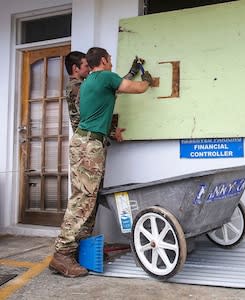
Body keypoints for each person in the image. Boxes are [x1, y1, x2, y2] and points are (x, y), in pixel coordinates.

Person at [49, 47, 155, 277]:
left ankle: (78, 250)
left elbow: (98, 111)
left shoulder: (88, 83)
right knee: (83, 200)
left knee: (90, 198)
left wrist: (111, 131)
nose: (111, 65)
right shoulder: (104, 76)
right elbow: (136, 88)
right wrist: (146, 79)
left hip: (87, 142)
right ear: (105, 61)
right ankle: (62, 253)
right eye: (110, 61)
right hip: (89, 145)